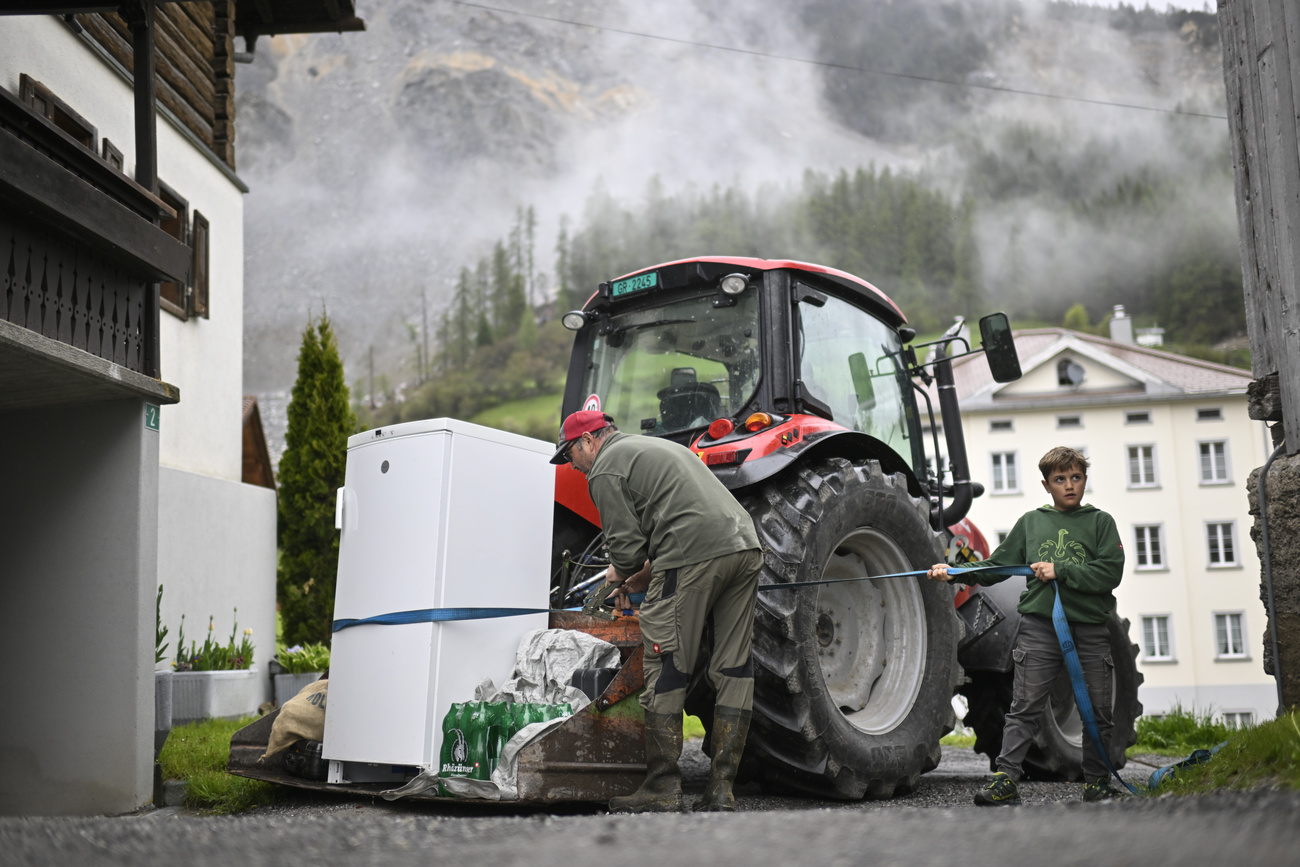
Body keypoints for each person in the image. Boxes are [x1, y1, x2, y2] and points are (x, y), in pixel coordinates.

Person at [551, 410, 763, 813]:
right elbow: (676, 522)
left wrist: (615, 576)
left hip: (694, 556)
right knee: (734, 667)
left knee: (664, 665)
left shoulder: (605, 469)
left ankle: (661, 787)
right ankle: (721, 790)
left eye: (570, 455)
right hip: (744, 545)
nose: (573, 467)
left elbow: (628, 552)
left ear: (589, 441)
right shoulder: (654, 447)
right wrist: (641, 578)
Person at [927, 446, 1126, 805]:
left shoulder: (1101, 523)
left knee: (1097, 708)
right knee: (1024, 706)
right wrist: (955, 571)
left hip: (1091, 629)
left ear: (1084, 480)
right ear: (1046, 485)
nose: (1069, 485)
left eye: (1076, 478)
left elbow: (1110, 572)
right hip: (1039, 626)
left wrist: (1060, 570)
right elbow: (997, 566)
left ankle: (1097, 782)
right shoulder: (1032, 523)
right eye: (1060, 479)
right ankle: (1006, 780)